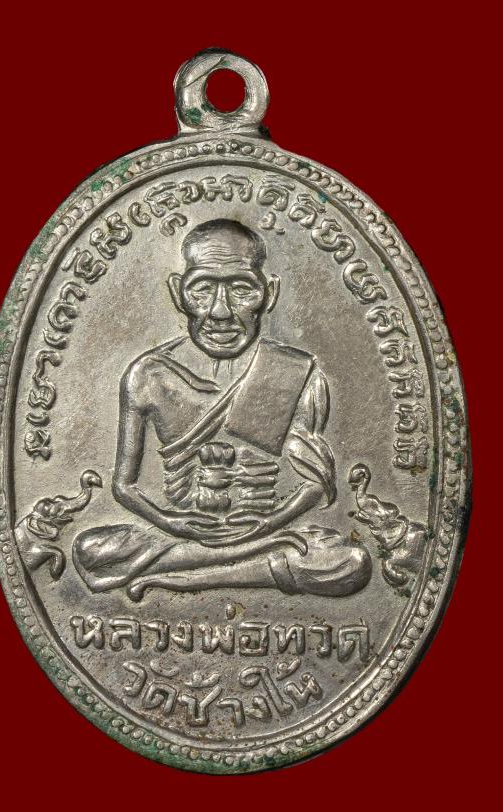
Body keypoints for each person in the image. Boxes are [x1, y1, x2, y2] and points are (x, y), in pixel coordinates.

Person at [73, 219, 371, 601]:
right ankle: (233, 567)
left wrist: (267, 524)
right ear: (178, 293)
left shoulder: (293, 371)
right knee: (92, 549)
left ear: (269, 294)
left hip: (263, 529)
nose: (220, 312)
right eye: (202, 289)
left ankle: (177, 575)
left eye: (242, 289)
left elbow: (314, 484)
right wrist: (172, 522)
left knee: (349, 562)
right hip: (182, 530)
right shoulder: (149, 375)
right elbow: (124, 486)